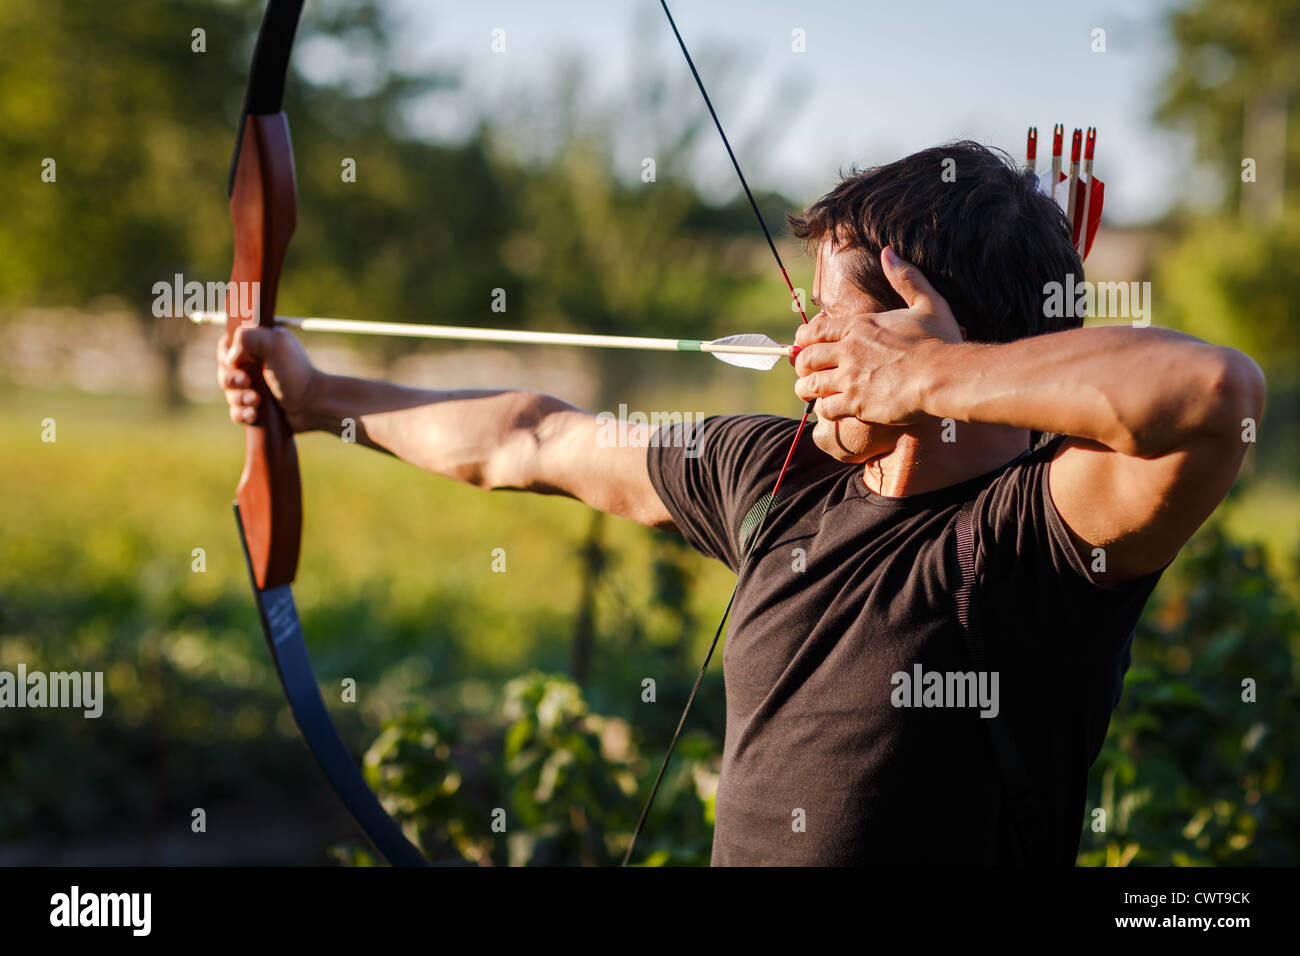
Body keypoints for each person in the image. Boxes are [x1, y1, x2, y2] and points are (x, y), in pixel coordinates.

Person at [216, 142, 1265, 865]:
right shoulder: (770, 476)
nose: (802, 341)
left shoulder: (1033, 534)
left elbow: (1217, 397)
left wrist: (929, 382)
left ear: (918, 333)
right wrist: (316, 400)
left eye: (831, 317)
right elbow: (528, 437)